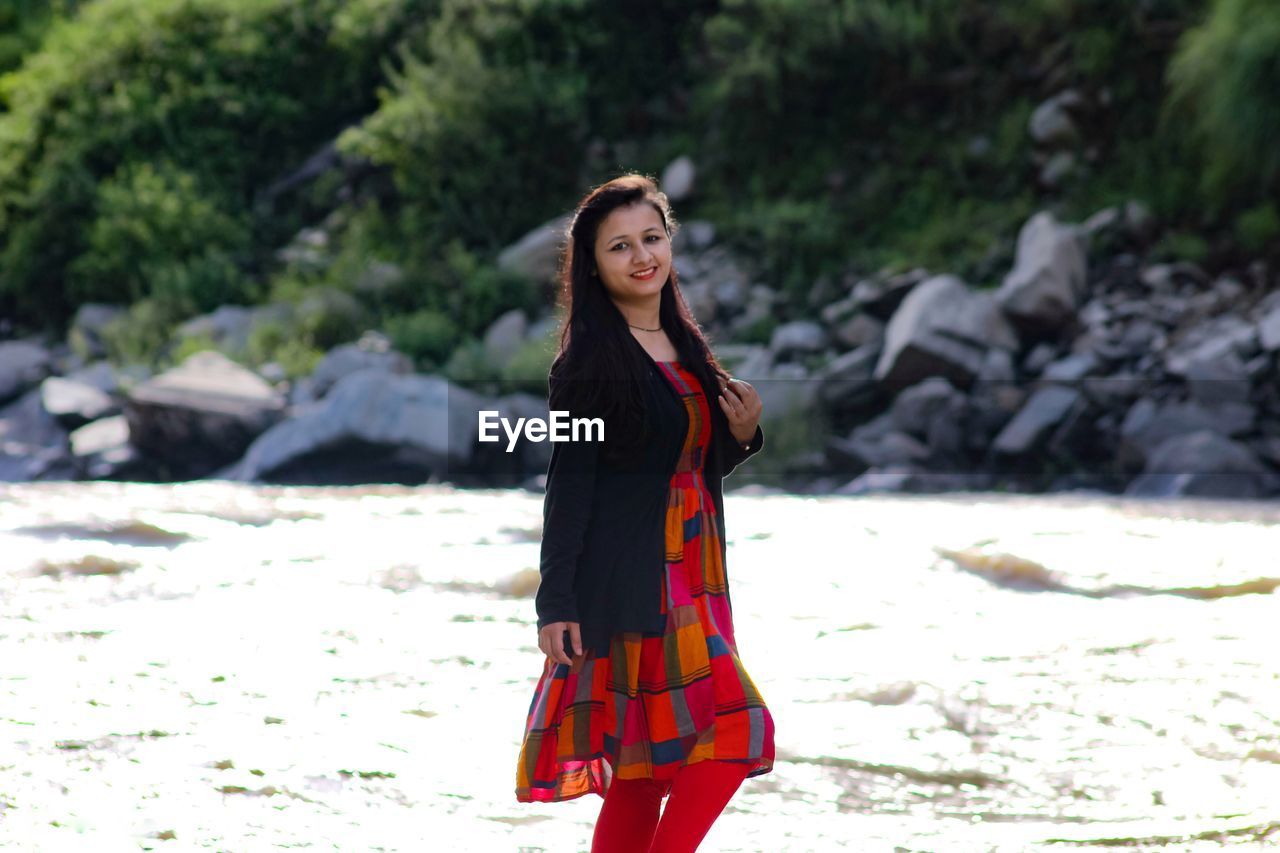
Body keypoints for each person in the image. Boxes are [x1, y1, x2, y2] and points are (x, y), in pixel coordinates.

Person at [514, 173, 775, 853]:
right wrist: (556, 600)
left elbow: (676, 469)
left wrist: (741, 435)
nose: (641, 257)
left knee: (642, 771)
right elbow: (570, 483)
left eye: (651, 238)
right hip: (638, 580)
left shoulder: (685, 345)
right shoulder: (587, 365)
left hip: (699, 571)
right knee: (739, 724)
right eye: (619, 246)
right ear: (593, 265)